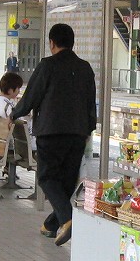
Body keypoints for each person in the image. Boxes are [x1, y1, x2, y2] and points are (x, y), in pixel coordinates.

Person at [9, 23, 97, 247]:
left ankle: (68, 219)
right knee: (66, 182)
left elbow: (32, 96)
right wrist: (88, 129)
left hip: (51, 132)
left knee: (47, 178)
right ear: (72, 42)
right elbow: (91, 102)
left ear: (52, 43)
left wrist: (14, 113)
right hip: (77, 133)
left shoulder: (47, 65)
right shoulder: (85, 68)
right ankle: (51, 225)